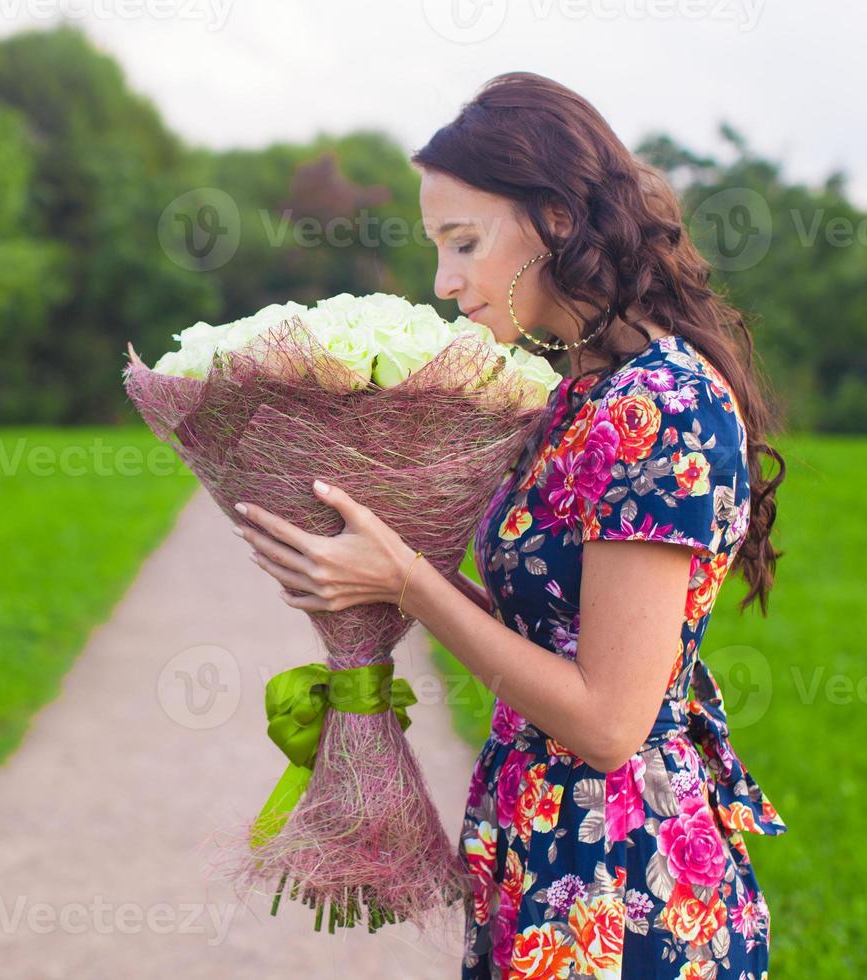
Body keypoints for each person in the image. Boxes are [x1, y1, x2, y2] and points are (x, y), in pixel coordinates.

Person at [230, 71, 788, 978]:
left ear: (556, 222)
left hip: (618, 882)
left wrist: (410, 579)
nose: (444, 282)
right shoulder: (576, 393)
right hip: (536, 845)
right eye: (435, 247)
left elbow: (609, 722)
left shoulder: (662, 406)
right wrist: (375, 571)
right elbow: (544, 630)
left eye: (462, 243)